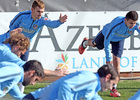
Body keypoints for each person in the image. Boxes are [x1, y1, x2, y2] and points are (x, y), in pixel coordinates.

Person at [78, 10, 140, 97]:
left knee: (117, 61)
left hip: (118, 40)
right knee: (94, 44)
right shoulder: (116, 24)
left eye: (134, 23)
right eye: (131, 23)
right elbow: (106, 41)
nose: (132, 26)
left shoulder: (136, 25)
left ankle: (114, 88)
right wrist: (108, 59)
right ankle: (85, 43)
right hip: (106, 35)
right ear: (125, 20)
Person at [0, 30, 69, 93]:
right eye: (20, 53)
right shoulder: (6, 53)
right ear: (17, 47)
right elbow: (29, 67)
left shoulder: (3, 47)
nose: (19, 57)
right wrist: (54, 73)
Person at [2, 0, 67, 61]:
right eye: (38, 11)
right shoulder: (22, 15)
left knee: (24, 62)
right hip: (13, 40)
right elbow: (12, 26)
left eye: (42, 12)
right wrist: (14, 38)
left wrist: (59, 22)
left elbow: (51, 24)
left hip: (26, 42)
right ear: (32, 9)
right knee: (5, 57)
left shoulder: (42, 19)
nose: (40, 14)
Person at [23, 64, 118, 100]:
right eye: (113, 84)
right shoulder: (91, 79)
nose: (111, 88)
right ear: (108, 77)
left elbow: (94, 97)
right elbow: (66, 86)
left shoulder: (94, 86)